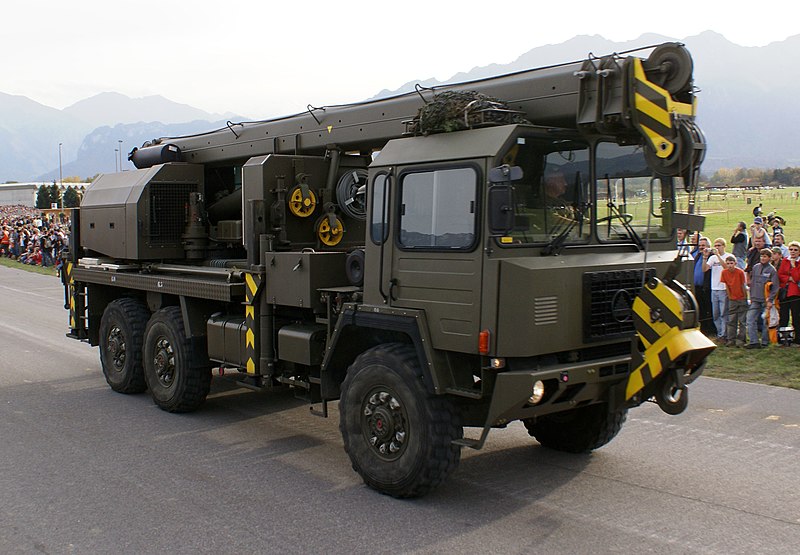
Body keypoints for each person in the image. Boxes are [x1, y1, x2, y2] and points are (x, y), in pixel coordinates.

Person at [747, 248, 778, 349]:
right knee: (750, 319)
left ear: (769, 258)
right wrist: (751, 296)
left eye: (765, 256)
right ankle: (754, 341)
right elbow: (752, 283)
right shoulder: (756, 267)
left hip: (766, 300)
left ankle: (765, 342)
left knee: (765, 322)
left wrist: (770, 300)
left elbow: (775, 287)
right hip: (755, 299)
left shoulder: (772, 270)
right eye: (761, 256)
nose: (762, 258)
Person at [703, 237, 729, 342]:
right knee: (716, 314)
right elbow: (704, 269)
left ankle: (724, 334)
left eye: (719, 245)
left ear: (724, 246)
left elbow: (726, 268)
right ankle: (720, 333)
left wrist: (718, 255)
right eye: (716, 245)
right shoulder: (712, 258)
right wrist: (705, 257)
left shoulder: (728, 256)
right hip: (714, 288)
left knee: (724, 313)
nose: (717, 247)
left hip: (723, 288)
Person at [720, 254, 747, 347]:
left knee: (742, 320)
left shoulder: (740, 272)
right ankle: (731, 339)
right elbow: (727, 285)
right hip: (732, 299)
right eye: (728, 263)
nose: (730, 265)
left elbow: (743, 285)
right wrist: (730, 296)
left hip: (741, 297)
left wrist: (744, 297)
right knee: (731, 319)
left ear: (735, 263)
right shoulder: (724, 272)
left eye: (731, 263)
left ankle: (741, 340)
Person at [777, 241, 800, 347]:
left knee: (796, 317)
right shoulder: (785, 261)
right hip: (784, 292)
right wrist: (789, 278)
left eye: (795, 250)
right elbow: (780, 274)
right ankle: (782, 338)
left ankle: (797, 339)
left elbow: (797, 278)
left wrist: (793, 265)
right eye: (791, 249)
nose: (793, 252)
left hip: (795, 293)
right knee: (783, 316)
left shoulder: (797, 263)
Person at [693, 236, 716, 336]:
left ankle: (710, 329)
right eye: (700, 245)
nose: (701, 247)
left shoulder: (712, 257)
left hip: (706, 287)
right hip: (697, 287)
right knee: (700, 309)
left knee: (708, 309)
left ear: (708, 246)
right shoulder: (697, 255)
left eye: (703, 245)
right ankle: (703, 329)